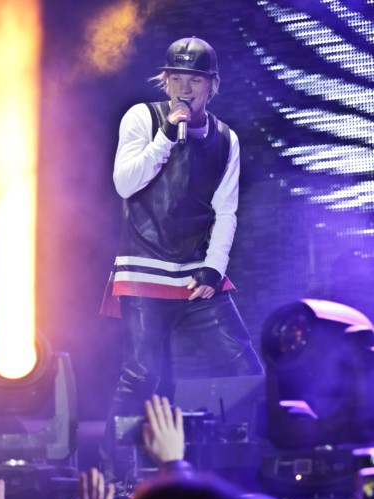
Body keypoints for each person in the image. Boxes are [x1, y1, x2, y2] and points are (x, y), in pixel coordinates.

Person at [102, 36, 263, 473]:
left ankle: (243, 468)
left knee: (244, 369)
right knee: (142, 375)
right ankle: (116, 473)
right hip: (144, 267)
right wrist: (165, 138)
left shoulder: (226, 139)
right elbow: (124, 183)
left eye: (194, 80)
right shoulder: (143, 117)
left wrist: (214, 268)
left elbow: (226, 210)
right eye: (176, 79)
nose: (184, 89)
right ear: (166, 81)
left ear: (212, 85)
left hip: (194, 270)